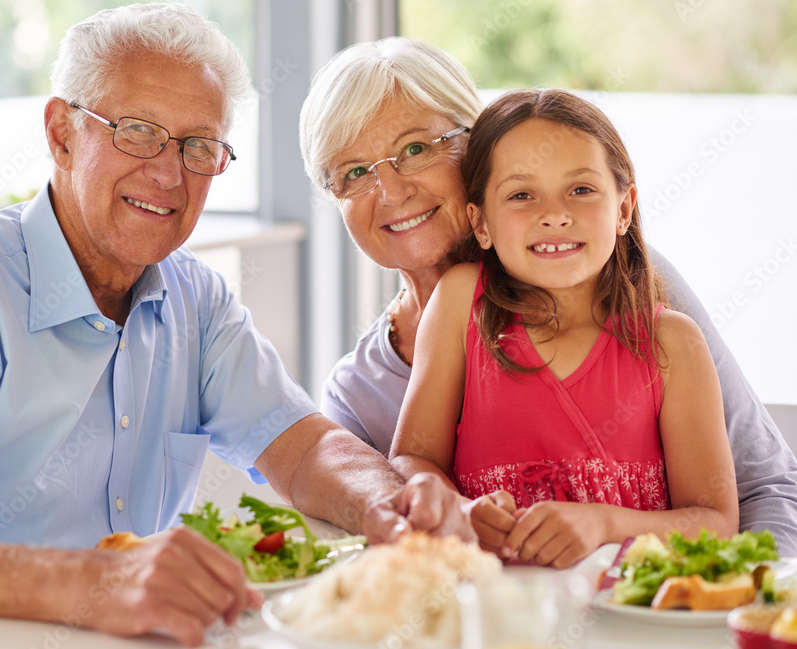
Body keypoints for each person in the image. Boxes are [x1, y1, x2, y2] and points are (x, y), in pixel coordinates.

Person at [0, 5, 474, 646]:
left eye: (199, 146)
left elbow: (303, 451)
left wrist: (393, 501)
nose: (168, 174)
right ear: (62, 133)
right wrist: (91, 581)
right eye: (139, 132)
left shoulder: (196, 300)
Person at [298, 36, 797, 556]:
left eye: (416, 148)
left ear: (476, 146)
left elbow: (762, 488)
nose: (391, 190)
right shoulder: (355, 394)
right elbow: (377, 550)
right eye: (353, 173)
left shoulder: (637, 288)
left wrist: (752, 614)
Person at [391, 88, 739, 568]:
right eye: (521, 195)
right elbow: (411, 460)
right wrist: (461, 511)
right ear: (481, 223)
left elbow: (716, 522)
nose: (554, 214)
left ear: (623, 209)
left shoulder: (672, 342)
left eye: (581, 190)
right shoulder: (459, 303)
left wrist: (605, 524)